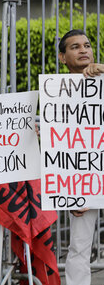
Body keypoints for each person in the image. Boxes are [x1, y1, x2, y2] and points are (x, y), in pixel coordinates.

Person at [60, 29, 104, 285]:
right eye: (75, 47)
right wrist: (70, 188)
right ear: (63, 57)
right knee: (79, 246)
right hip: (84, 178)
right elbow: (60, 146)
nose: (83, 49)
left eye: (86, 45)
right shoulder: (57, 93)